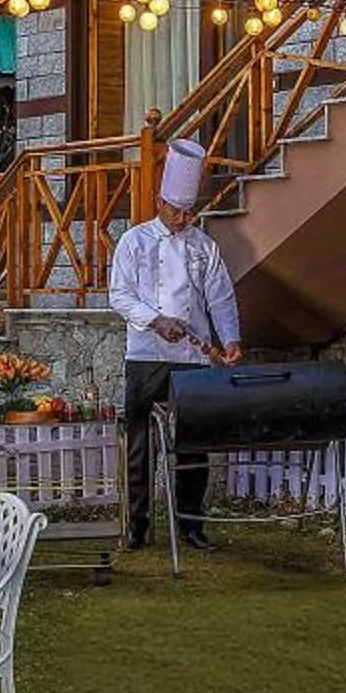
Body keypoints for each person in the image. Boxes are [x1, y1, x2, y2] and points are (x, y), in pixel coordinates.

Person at [108, 136, 242, 552]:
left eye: (189, 212)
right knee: (138, 441)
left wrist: (231, 339)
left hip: (192, 356)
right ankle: (139, 524)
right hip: (146, 355)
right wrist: (156, 321)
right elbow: (120, 295)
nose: (183, 219)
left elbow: (220, 296)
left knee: (193, 441)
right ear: (158, 201)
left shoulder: (205, 247)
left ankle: (190, 523)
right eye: (176, 210)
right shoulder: (134, 242)